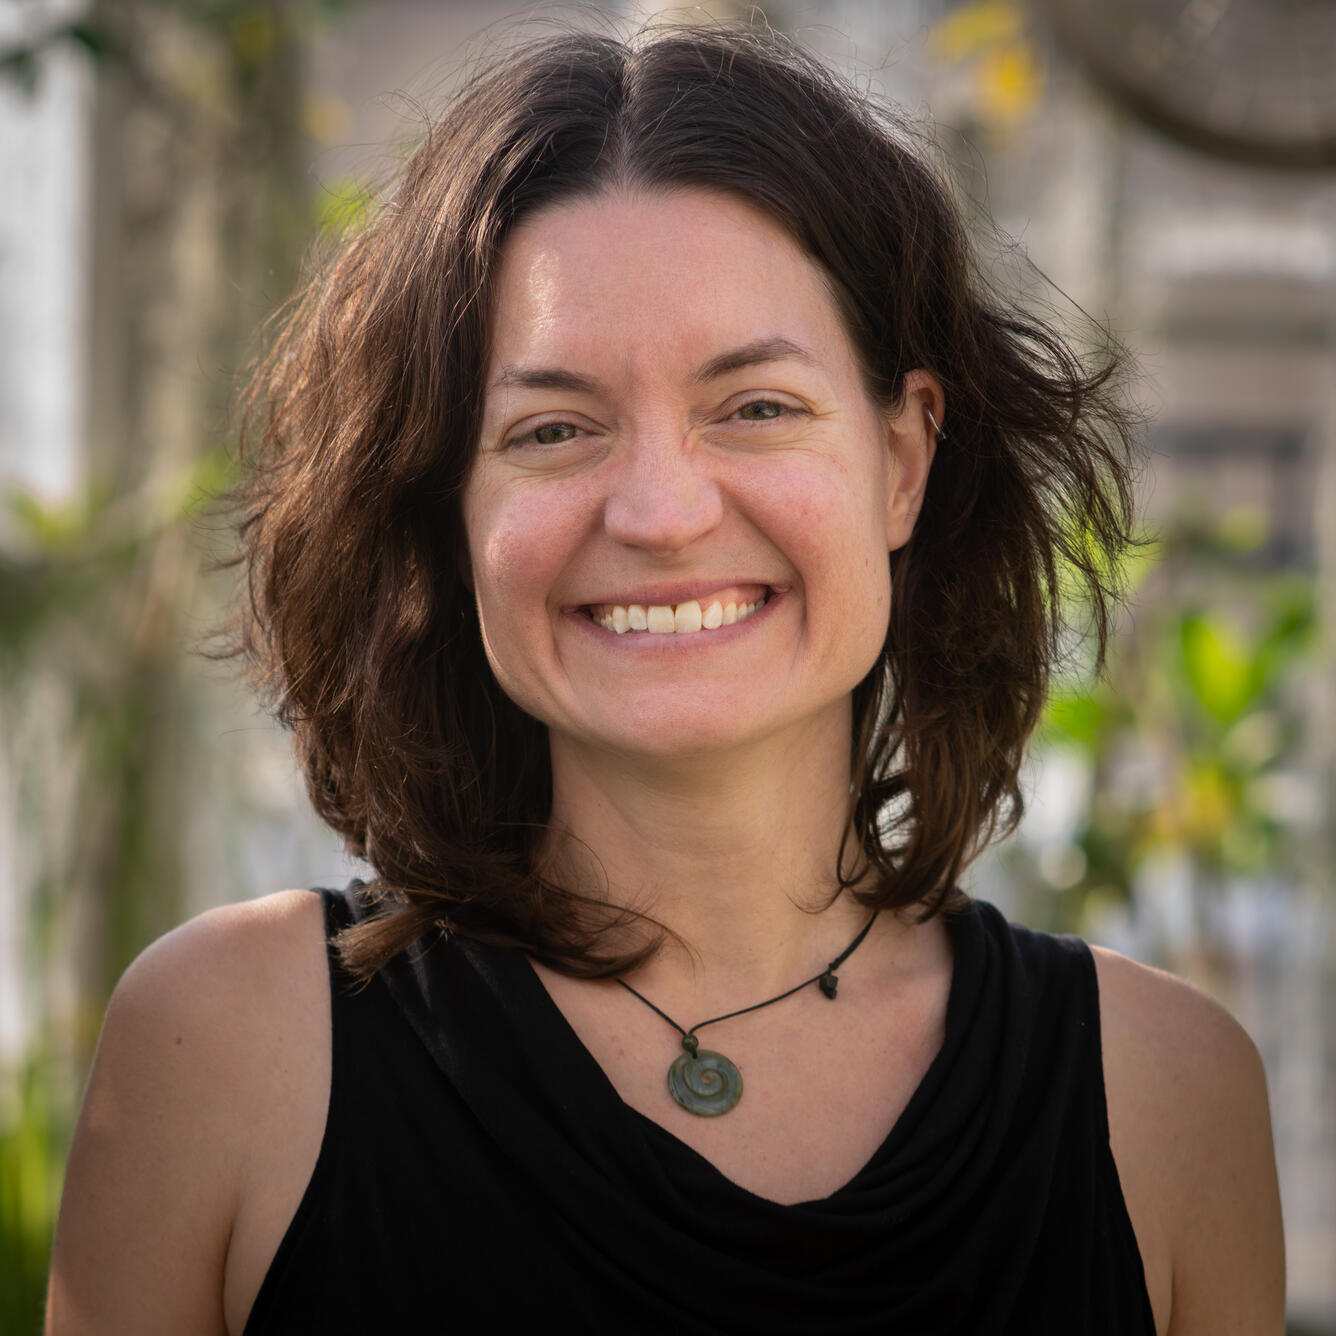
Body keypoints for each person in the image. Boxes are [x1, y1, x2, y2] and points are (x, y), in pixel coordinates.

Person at [46, 22, 1285, 1335]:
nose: (659, 509)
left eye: (755, 405)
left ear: (904, 459)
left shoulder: (1167, 1097)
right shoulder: (224, 1050)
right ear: (449, 508)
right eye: (554, 429)